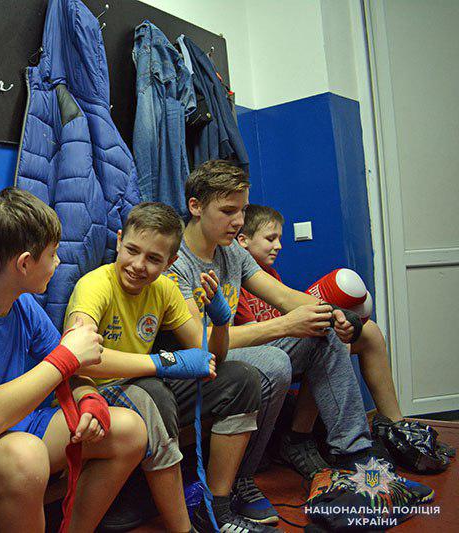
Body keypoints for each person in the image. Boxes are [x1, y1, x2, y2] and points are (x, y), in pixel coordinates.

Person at [167, 160, 433, 524]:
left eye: (242, 210)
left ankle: (359, 460)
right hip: (196, 364)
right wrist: (287, 325)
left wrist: (331, 314)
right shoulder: (176, 261)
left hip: (233, 353)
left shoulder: (232, 252)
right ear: (195, 206)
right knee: (275, 362)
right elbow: (202, 341)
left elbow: (283, 296)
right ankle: (242, 480)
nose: (238, 221)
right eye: (228, 211)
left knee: (322, 330)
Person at [0, 188, 148, 532]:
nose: (57, 263)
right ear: (24, 263)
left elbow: (69, 371)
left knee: (128, 430)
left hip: (19, 428)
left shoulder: (22, 303)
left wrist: (88, 398)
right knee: (26, 456)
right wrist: (66, 359)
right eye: (52, 254)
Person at [65, 202, 271, 532]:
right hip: (98, 393)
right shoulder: (94, 286)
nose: (138, 265)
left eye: (153, 259)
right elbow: (77, 359)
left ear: (170, 262)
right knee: (154, 393)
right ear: (119, 241)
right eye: (132, 250)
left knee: (241, 378)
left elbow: (209, 356)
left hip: (142, 383)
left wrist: (220, 323)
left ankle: (215, 507)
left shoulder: (165, 289)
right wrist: (163, 363)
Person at [236, 203, 454, 472]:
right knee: (321, 336)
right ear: (243, 241)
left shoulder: (268, 275)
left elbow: (287, 301)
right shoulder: (236, 279)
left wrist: (338, 315)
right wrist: (304, 324)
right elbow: (258, 337)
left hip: (285, 348)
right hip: (262, 356)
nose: (278, 246)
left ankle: (397, 429)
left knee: (369, 332)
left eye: (279, 238)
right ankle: (299, 438)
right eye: (270, 239)